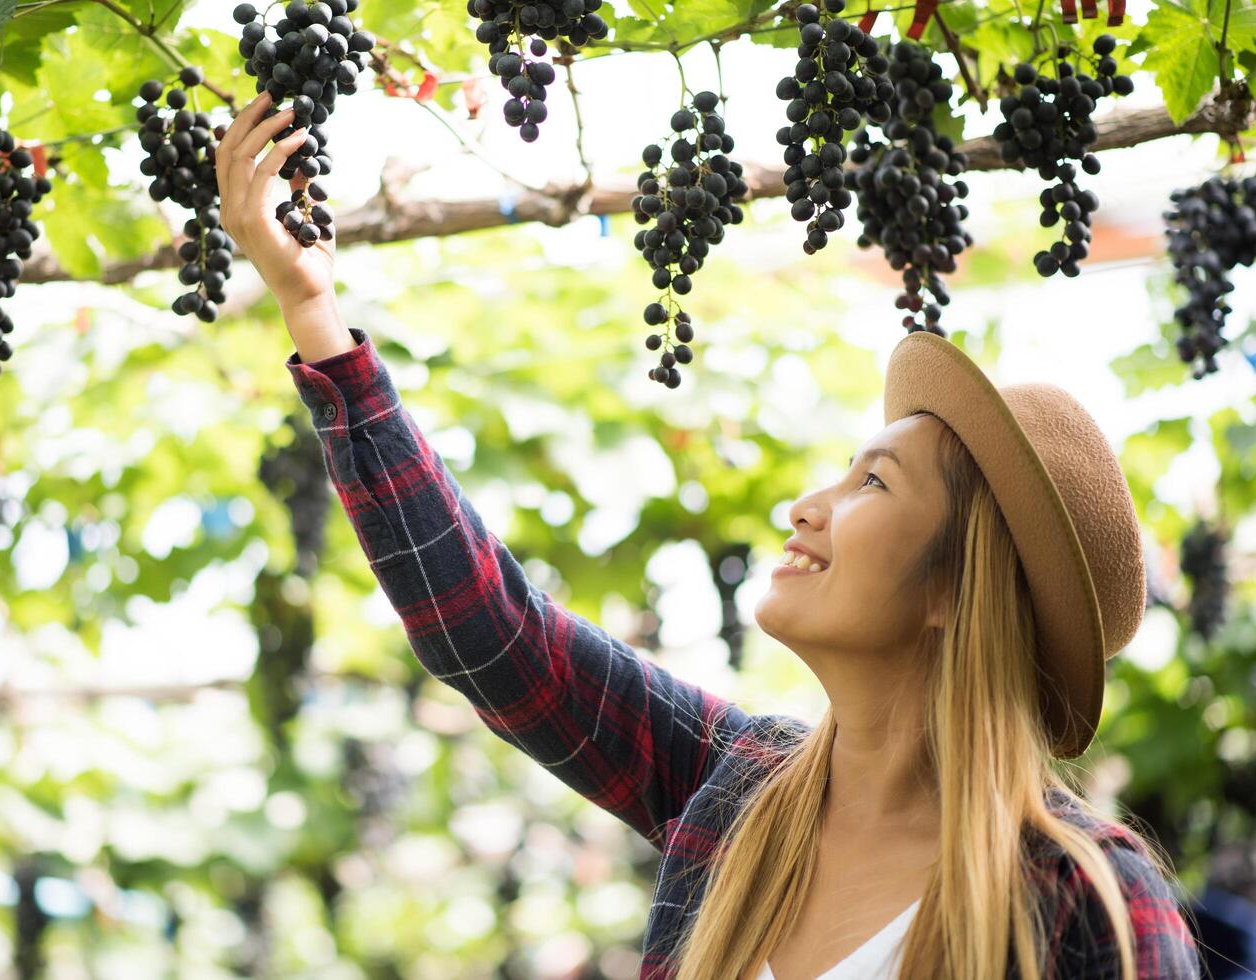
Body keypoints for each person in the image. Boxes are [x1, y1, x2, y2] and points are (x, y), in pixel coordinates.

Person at [215, 93, 1205, 979]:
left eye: (872, 480)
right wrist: (314, 313)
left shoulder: (1086, 899)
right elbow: (493, 633)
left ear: (957, 587)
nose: (805, 506)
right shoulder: (737, 787)